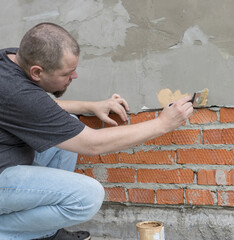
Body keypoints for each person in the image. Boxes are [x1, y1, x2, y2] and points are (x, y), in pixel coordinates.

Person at [0, 22, 193, 240]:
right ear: (36, 72)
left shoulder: (12, 59)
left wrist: (90, 106)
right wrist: (162, 124)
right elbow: (91, 143)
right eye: (68, 73)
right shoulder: (14, 89)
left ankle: (43, 233)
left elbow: (32, 107)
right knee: (88, 196)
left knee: (67, 128)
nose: (74, 77)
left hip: (9, 163)